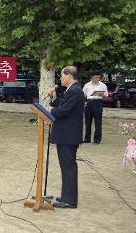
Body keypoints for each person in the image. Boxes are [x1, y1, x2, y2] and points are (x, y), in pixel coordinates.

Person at [48, 66, 84, 209]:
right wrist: (54, 98)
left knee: (68, 168)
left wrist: (52, 110)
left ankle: (69, 200)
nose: (61, 79)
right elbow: (63, 106)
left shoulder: (75, 91)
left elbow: (63, 111)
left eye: (62, 76)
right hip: (66, 135)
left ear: (69, 76)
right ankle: (66, 196)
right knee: (66, 167)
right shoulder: (71, 90)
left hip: (68, 136)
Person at [83, 71, 108, 144]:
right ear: (92, 77)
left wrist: (103, 95)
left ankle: (97, 139)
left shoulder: (103, 85)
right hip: (89, 103)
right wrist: (84, 102)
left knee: (98, 122)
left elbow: (106, 96)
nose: (97, 79)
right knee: (88, 122)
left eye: (99, 77)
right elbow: (83, 94)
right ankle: (87, 138)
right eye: (96, 77)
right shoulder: (87, 85)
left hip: (98, 103)